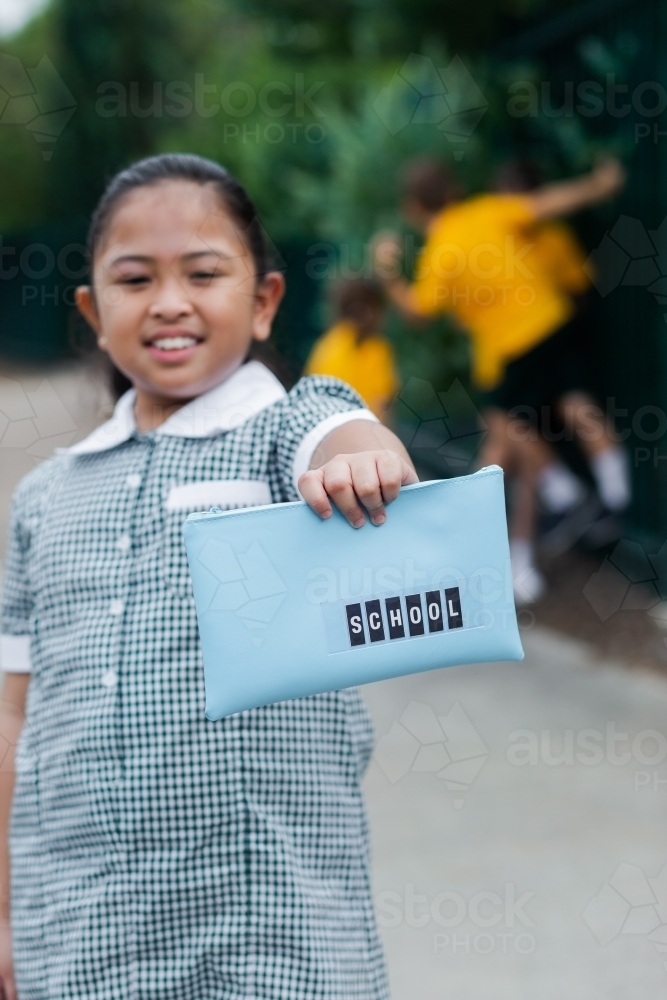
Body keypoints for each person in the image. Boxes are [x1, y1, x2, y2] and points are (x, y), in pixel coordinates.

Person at [0, 153, 418, 1000]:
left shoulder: (280, 434)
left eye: (202, 273)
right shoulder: (43, 499)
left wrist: (362, 457)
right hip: (83, 930)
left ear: (263, 301)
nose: (169, 302)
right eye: (134, 279)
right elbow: (13, 713)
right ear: (93, 311)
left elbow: (335, 428)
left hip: (270, 925)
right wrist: (6, 912)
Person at [372, 157, 628, 603]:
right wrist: (597, 184)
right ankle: (604, 495)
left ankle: (566, 497)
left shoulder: (440, 252)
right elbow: (545, 203)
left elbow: (418, 311)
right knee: (556, 409)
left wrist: (389, 275)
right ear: (453, 191)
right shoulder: (487, 210)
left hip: (514, 345)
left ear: (413, 209)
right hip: (552, 320)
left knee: (504, 425)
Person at [304, 279, 400, 422]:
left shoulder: (326, 344)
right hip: (363, 429)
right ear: (368, 311)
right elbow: (381, 406)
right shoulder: (376, 349)